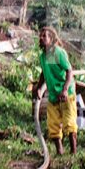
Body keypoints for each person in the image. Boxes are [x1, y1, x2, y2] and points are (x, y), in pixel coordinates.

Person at [32, 27, 77, 155]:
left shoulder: (58, 53)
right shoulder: (43, 56)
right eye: (40, 36)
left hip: (66, 94)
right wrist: (39, 89)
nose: (41, 38)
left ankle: (73, 152)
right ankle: (60, 152)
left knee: (69, 123)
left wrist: (65, 89)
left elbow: (69, 71)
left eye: (44, 36)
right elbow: (44, 73)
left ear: (51, 39)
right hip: (53, 95)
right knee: (53, 125)